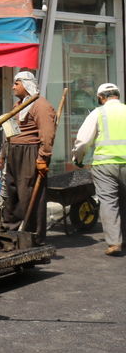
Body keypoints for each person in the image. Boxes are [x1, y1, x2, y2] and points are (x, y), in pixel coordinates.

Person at [71, 82, 126, 256]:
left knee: (109, 202)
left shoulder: (98, 113)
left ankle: (114, 243)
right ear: (117, 95)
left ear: (101, 98)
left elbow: (83, 141)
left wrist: (78, 159)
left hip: (104, 165)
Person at [0, 71, 56, 240]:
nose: (13, 87)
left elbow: (47, 134)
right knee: (13, 193)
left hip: (30, 152)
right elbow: (10, 131)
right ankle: (12, 232)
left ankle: (34, 236)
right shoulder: (19, 105)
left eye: (16, 83)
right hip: (14, 152)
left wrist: (42, 157)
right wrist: (3, 153)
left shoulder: (41, 105)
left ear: (26, 84)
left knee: (30, 194)